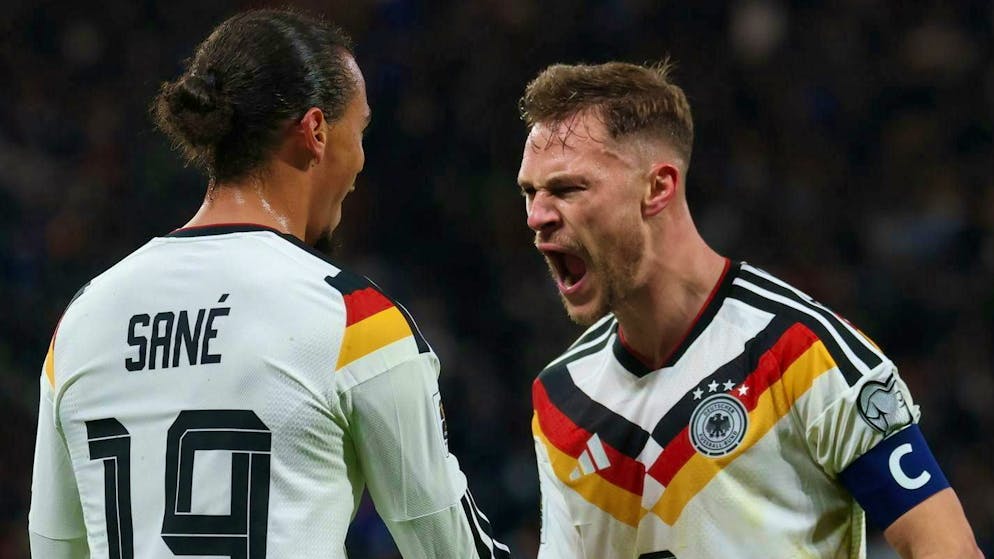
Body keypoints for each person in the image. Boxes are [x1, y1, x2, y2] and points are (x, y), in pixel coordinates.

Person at [28, 9, 509, 559]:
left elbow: (52, 546)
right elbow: (446, 544)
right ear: (316, 131)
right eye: (362, 130)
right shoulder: (356, 319)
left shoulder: (81, 322)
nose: (362, 161)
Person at [516, 60, 982, 558]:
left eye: (567, 189)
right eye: (530, 192)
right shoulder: (561, 396)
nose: (537, 216)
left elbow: (947, 549)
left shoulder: (805, 352)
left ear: (658, 188)